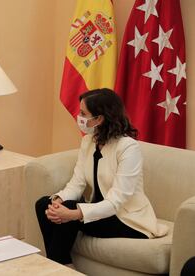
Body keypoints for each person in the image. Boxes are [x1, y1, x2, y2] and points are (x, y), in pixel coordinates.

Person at [35, 88, 168, 265]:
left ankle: (55, 266)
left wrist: (74, 213)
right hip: (99, 212)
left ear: (99, 118)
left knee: (68, 211)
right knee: (44, 204)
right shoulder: (88, 141)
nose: (78, 116)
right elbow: (77, 182)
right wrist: (58, 200)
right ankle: (60, 265)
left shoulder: (128, 147)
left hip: (125, 218)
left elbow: (116, 201)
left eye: (83, 113)